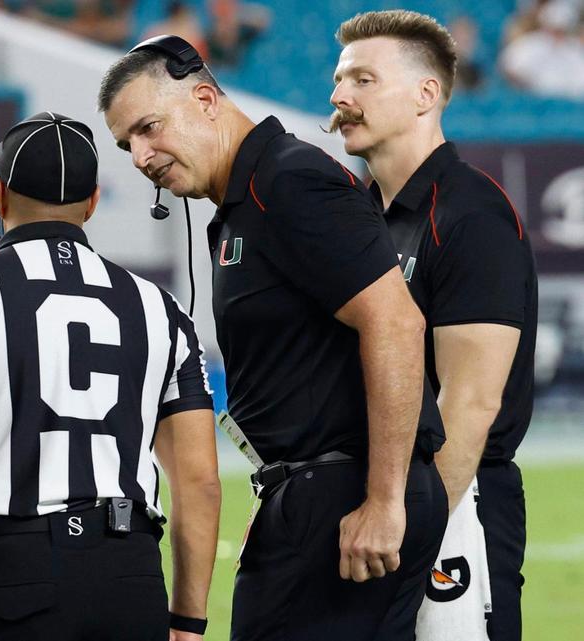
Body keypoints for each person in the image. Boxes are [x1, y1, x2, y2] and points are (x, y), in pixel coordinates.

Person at [100, 36, 447, 640]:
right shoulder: (247, 199)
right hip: (319, 493)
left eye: (148, 128)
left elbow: (395, 320)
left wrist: (385, 502)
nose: (140, 155)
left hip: (343, 496)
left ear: (205, 98)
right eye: (126, 142)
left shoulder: (287, 181)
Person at [0, 112, 221, 641]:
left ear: (1, 194)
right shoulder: (161, 306)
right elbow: (199, 482)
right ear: (92, 201)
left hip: (11, 573)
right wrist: (188, 622)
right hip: (130, 577)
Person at [331, 11, 538, 641]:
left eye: (363, 80)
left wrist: (405, 524)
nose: (340, 98)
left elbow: (470, 405)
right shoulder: (356, 217)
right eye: (339, 82)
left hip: (454, 505)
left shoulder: (471, 214)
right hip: (381, 501)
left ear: (427, 94)